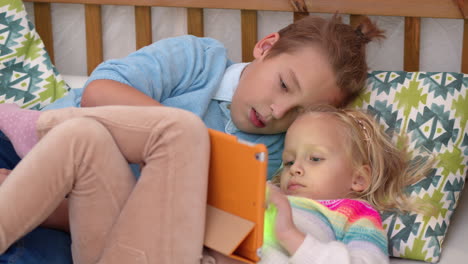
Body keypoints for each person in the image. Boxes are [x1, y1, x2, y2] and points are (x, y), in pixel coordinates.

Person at [0, 15, 384, 263]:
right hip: (29, 149)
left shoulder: (278, 156)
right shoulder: (199, 59)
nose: (278, 111)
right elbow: (98, 94)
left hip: (84, 214)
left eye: (300, 111)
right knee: (165, 136)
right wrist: (192, 140)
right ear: (265, 47)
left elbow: (198, 223)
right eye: (283, 85)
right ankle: (34, 131)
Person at [203, 105, 434, 263]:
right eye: (288, 161)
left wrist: (289, 234)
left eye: (315, 159)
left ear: (358, 179)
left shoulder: (355, 214)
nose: (294, 169)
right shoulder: (269, 191)